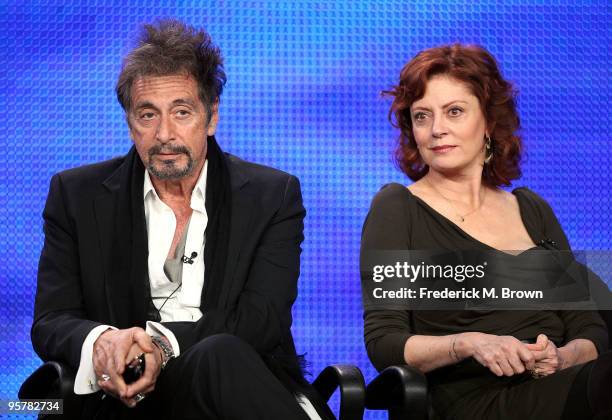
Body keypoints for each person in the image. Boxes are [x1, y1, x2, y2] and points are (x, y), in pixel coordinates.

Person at [31, 19, 332, 419]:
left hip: (235, 386)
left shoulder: (271, 195)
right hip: (124, 398)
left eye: (182, 111)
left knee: (219, 354)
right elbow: (52, 320)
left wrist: (161, 344)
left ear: (211, 118)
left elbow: (262, 320)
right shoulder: (77, 195)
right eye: (147, 115)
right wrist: (104, 341)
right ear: (130, 123)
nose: (164, 134)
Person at [361, 44, 612, 419]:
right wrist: (469, 344)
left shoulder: (532, 209)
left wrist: (563, 357)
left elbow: (590, 328)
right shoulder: (397, 208)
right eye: (422, 116)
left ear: (490, 121)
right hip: (475, 401)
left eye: (454, 112)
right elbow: (384, 342)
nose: (437, 130)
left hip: (562, 385)